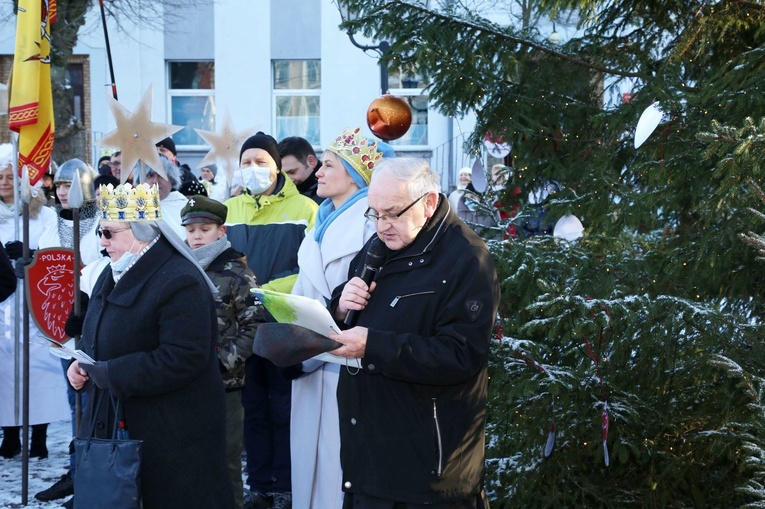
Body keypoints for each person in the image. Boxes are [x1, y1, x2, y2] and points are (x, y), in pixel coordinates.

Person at [328, 157, 500, 509]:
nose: (381, 225)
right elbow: (351, 311)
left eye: (392, 213)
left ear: (429, 202)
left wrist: (372, 346)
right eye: (374, 213)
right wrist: (340, 305)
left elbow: (460, 355)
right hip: (368, 463)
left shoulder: (467, 259)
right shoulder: (377, 246)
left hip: (431, 477)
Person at [66, 182, 234, 508]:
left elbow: (184, 356)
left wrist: (112, 373)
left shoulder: (179, 279)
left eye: (110, 233)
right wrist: (82, 362)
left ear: (142, 232)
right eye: (101, 233)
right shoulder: (116, 269)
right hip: (120, 424)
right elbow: (98, 329)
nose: (102, 242)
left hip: (173, 436)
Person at [224, 131, 317, 509]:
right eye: (246, 162)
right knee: (253, 409)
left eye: (260, 162)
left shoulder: (306, 210)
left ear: (278, 167)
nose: (253, 169)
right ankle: (259, 485)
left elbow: (308, 269)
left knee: (284, 408)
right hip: (242, 328)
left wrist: (262, 289)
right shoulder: (229, 209)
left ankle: (287, 486)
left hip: (282, 323)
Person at [290, 127, 382, 509]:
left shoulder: (369, 223)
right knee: (309, 467)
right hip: (310, 357)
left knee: (336, 469)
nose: (319, 173)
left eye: (328, 165)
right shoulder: (319, 221)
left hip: (345, 362)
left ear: (354, 174)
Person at [181, 195, 265, 509]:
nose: (197, 236)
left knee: (226, 459)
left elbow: (254, 325)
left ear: (221, 231)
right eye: (191, 230)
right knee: (189, 458)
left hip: (225, 385)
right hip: (185, 382)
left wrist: (221, 363)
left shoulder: (236, 273)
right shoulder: (182, 268)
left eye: (205, 228)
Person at [0, 145, 69, 464]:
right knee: (4, 372)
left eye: (9, 175)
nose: (3, 181)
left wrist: (31, 254)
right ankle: (10, 436)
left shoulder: (43, 214)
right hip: (1, 304)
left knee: (38, 371)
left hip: (33, 302)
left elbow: (55, 253)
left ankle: (38, 437)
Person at [133, 154, 188, 238]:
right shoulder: (130, 207)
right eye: (150, 176)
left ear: (172, 180)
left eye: (161, 175)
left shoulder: (184, 207)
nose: (155, 181)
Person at [277, 136, 324, 204]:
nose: (288, 179)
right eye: (283, 174)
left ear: (311, 161)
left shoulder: (331, 191)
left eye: (292, 172)